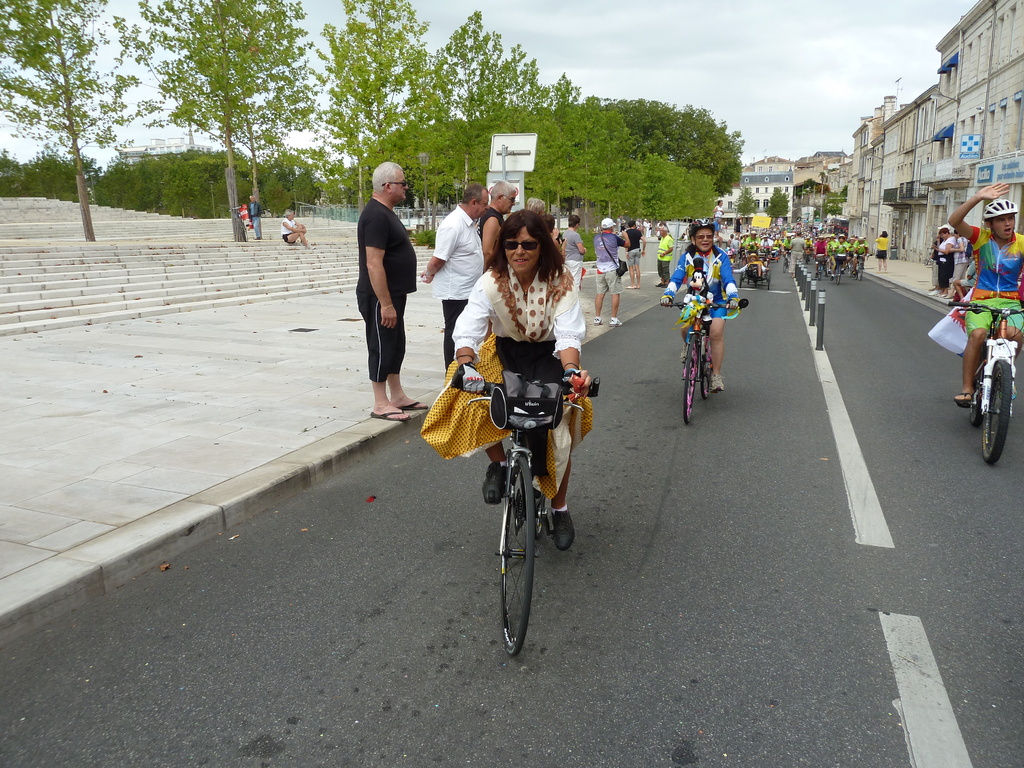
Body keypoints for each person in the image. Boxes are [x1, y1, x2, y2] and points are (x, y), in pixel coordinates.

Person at [440, 209, 593, 550]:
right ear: (503, 247)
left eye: (528, 244)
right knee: (467, 388)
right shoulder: (491, 281)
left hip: (550, 355)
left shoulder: (561, 280)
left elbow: (568, 335)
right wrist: (466, 361)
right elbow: (469, 326)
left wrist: (571, 371)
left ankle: (560, 508)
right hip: (505, 351)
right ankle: (498, 464)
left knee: (559, 425)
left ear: (542, 246)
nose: (519, 251)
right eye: (511, 244)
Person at [356, 161, 424, 422]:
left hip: (393, 294)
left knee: (395, 344)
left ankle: (396, 396)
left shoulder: (386, 212)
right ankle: (380, 402)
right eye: (402, 183)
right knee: (381, 345)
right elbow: (373, 263)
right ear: (387, 186)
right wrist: (385, 304)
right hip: (379, 297)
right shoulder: (375, 215)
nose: (406, 187)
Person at [947, 183, 1024, 407]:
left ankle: (1007, 373)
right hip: (981, 300)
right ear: (990, 224)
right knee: (978, 334)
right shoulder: (981, 238)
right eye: (1001, 220)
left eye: (1010, 218)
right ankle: (967, 388)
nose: (1008, 223)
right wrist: (978, 197)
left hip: (1010, 301)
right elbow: (954, 221)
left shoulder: (1021, 243)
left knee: (1015, 335)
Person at [660, 218, 739, 392]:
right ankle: (688, 345)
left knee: (715, 333)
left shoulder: (721, 256)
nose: (705, 240)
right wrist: (668, 294)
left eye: (709, 236)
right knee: (684, 328)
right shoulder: (687, 257)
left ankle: (716, 375)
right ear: (693, 239)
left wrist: (733, 297)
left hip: (717, 302)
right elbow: (677, 278)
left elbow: (728, 279)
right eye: (701, 236)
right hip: (695, 300)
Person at [420, 183, 489, 368]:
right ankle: (452, 372)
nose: (487, 208)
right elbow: (438, 259)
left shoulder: (469, 223)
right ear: (473, 202)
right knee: (455, 333)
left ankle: (465, 367)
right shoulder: (453, 225)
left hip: (469, 290)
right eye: (484, 204)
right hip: (457, 291)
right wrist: (429, 273)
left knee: (467, 332)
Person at [593, 217, 626, 327]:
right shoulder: (615, 238)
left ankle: (597, 318)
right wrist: (625, 235)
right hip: (612, 269)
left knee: (600, 294)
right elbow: (627, 244)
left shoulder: (596, 238)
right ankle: (613, 318)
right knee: (614, 293)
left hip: (599, 269)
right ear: (611, 227)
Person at [479, 181, 517, 267]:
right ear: (500, 198)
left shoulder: (491, 215)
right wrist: (490, 272)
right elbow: (487, 252)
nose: (514, 203)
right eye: (512, 199)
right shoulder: (493, 219)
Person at [562, 214, 587, 292]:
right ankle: (575, 297)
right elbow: (581, 250)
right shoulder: (575, 235)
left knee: (568, 281)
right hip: (575, 260)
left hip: (567, 259)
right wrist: (585, 250)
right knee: (575, 281)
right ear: (576, 224)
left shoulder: (565, 233)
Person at [931, 226, 956, 298]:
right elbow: (940, 247)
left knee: (945, 275)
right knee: (941, 275)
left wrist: (937, 249)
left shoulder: (950, 240)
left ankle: (945, 291)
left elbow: (947, 251)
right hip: (941, 258)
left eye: (942, 235)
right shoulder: (945, 240)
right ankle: (942, 290)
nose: (942, 236)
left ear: (947, 233)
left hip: (946, 259)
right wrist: (938, 242)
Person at [624, 219, 644, 289]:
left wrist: (626, 251)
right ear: (634, 225)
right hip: (637, 250)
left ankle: (632, 284)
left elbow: (627, 242)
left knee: (631, 268)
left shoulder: (627, 232)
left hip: (630, 250)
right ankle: (638, 284)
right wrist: (643, 249)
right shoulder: (638, 232)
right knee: (637, 267)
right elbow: (644, 240)